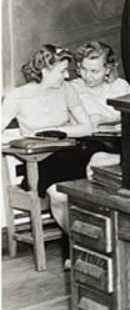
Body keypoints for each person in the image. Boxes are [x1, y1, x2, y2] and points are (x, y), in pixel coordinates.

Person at [2, 45, 94, 265]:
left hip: (72, 152)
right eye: (62, 71)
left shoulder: (67, 90)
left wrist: (59, 132)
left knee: (101, 179)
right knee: (60, 195)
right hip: (41, 160)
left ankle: (92, 247)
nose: (67, 75)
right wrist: (22, 140)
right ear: (44, 69)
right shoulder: (18, 96)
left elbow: (87, 128)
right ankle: (80, 247)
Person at [70, 41, 130, 126]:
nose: (87, 76)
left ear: (108, 69)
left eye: (94, 71)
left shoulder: (121, 86)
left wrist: (106, 120)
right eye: (83, 69)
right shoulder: (72, 88)